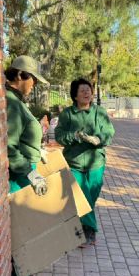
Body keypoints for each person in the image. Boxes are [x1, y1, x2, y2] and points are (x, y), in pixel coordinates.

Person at [5, 55, 49, 276]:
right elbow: (8, 148)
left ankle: (22, 273)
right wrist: (30, 172)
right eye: (32, 79)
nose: (34, 84)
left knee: (24, 226)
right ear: (20, 75)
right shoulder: (11, 103)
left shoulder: (15, 101)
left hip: (25, 170)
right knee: (20, 229)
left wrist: (37, 151)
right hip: (20, 175)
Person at [55, 78, 115, 246]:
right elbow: (59, 135)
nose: (87, 93)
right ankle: (89, 231)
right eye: (82, 90)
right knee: (81, 195)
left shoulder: (99, 112)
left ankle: (83, 224)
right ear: (75, 95)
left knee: (91, 196)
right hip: (74, 163)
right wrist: (73, 136)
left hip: (96, 162)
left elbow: (109, 131)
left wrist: (99, 138)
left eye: (88, 90)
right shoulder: (67, 114)